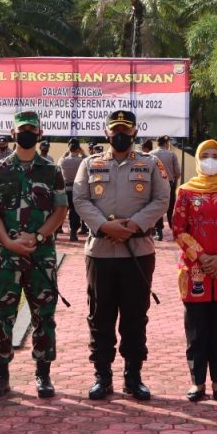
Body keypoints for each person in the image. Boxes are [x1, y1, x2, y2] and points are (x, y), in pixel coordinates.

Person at [73, 110, 170, 401]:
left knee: (135, 316)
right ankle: (102, 376)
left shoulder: (151, 164)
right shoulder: (89, 164)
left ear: (134, 133)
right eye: (115, 130)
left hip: (137, 253)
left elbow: (162, 199)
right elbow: (79, 199)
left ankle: (133, 376)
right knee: (100, 316)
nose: (120, 135)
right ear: (106, 133)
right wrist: (105, 226)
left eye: (125, 130)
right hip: (101, 254)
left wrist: (135, 225)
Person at [0, 111, 68, 399]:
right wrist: (7, 240)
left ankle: (43, 374)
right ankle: (1, 375)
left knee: (44, 315)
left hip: (40, 254)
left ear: (40, 132)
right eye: (23, 129)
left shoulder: (51, 170)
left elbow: (60, 210)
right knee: (2, 314)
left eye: (32, 129)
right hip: (6, 256)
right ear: (13, 132)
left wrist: (39, 235)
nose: (27, 133)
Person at [171, 140, 217, 402]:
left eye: (216, 155)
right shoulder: (185, 192)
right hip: (196, 271)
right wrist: (202, 257)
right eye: (206, 155)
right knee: (196, 329)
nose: (211, 159)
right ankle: (197, 381)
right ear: (198, 159)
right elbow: (178, 229)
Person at [152, 135, 182, 242]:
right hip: (170, 183)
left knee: (157, 207)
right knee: (171, 207)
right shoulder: (172, 154)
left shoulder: (151, 155)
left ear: (157, 143)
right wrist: (174, 181)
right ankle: (174, 230)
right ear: (166, 143)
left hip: (156, 184)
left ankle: (159, 232)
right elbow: (178, 172)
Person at [59, 139, 86, 241]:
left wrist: (66, 152)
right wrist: (83, 153)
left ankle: (56, 232)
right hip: (76, 189)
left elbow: (58, 164)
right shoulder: (81, 161)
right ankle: (73, 234)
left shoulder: (63, 160)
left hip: (65, 189)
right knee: (74, 213)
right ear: (78, 148)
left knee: (61, 212)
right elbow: (88, 161)